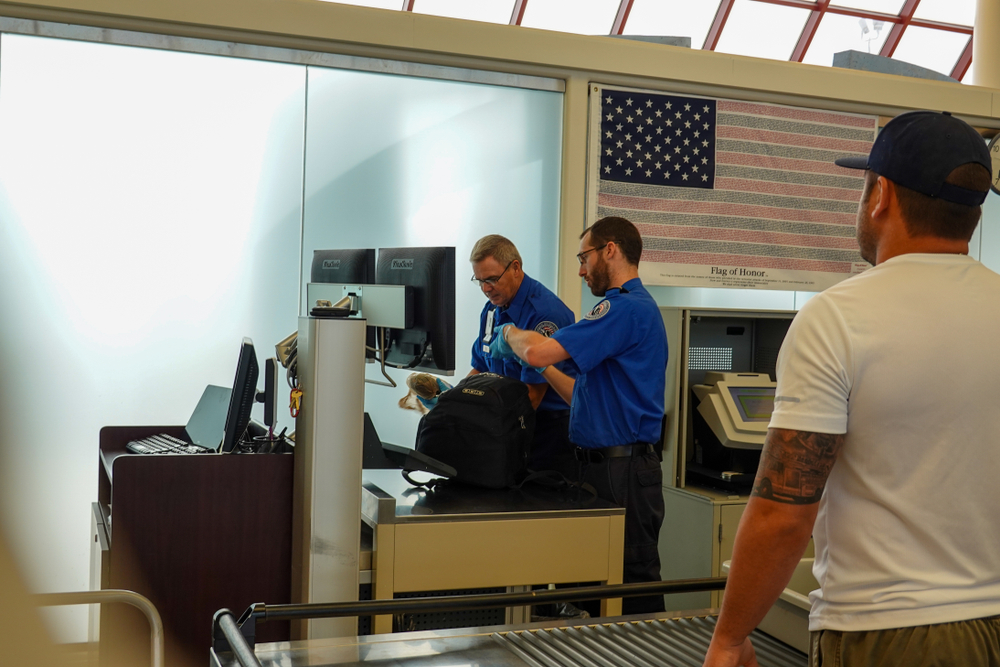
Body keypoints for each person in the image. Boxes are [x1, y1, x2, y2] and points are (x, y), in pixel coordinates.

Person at [703, 110, 1000, 667]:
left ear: (880, 195)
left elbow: (784, 513)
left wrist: (730, 637)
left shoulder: (838, 318)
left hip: (892, 632)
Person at [493, 216, 669, 615]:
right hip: (598, 469)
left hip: (622, 472)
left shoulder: (622, 308)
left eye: (583, 258)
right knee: (590, 586)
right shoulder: (628, 310)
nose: (581, 269)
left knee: (631, 586)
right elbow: (581, 395)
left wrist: (509, 335)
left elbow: (535, 350)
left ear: (610, 250)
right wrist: (544, 369)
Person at [468, 234, 578, 477]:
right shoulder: (493, 308)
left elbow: (532, 397)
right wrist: (455, 399)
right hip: (506, 421)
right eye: (480, 281)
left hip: (546, 430)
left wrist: (477, 421)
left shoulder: (545, 314)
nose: (486, 289)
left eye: (492, 279)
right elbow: (481, 366)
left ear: (515, 268)